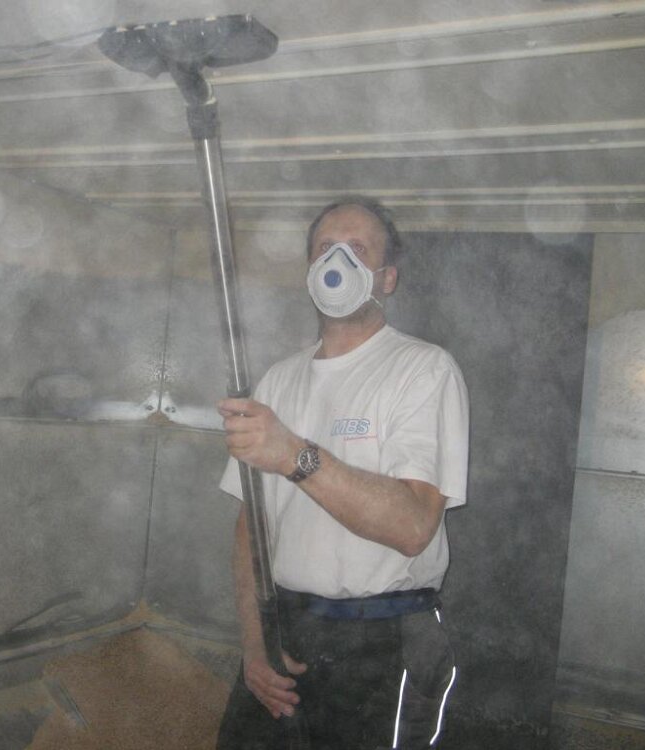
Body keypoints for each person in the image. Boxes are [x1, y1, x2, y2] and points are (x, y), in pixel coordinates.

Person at [215, 197, 469, 750]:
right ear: (310, 269)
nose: (338, 263)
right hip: (284, 628)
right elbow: (250, 528)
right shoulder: (278, 381)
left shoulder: (423, 370)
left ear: (387, 278)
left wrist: (294, 455)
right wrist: (254, 643)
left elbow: (412, 526)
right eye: (325, 249)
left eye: (357, 250)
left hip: (382, 641)